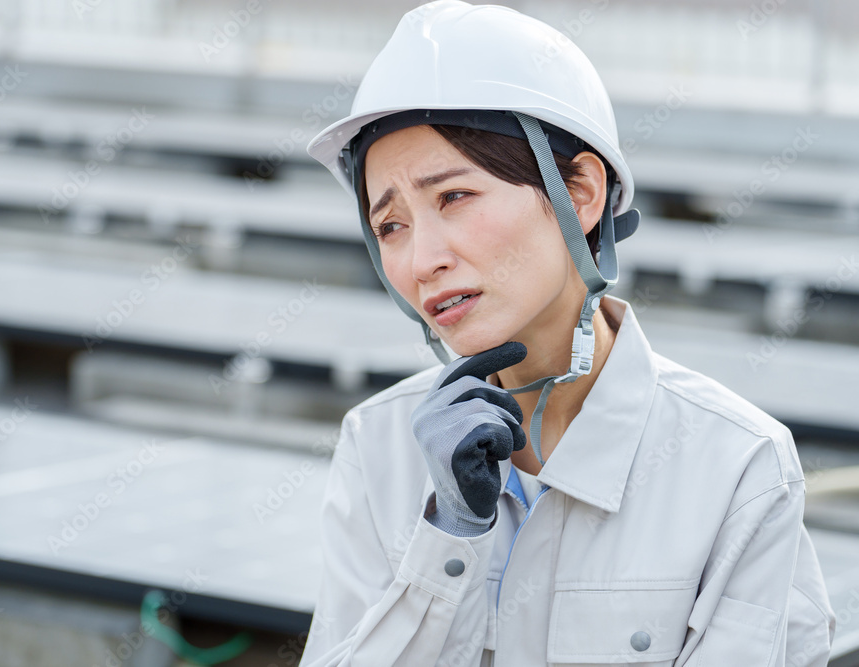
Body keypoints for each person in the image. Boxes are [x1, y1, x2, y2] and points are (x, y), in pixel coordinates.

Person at [300, 2, 836, 665]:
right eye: (390, 225)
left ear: (580, 190)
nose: (421, 260)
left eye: (454, 197)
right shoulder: (377, 445)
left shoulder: (736, 468)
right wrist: (447, 538)